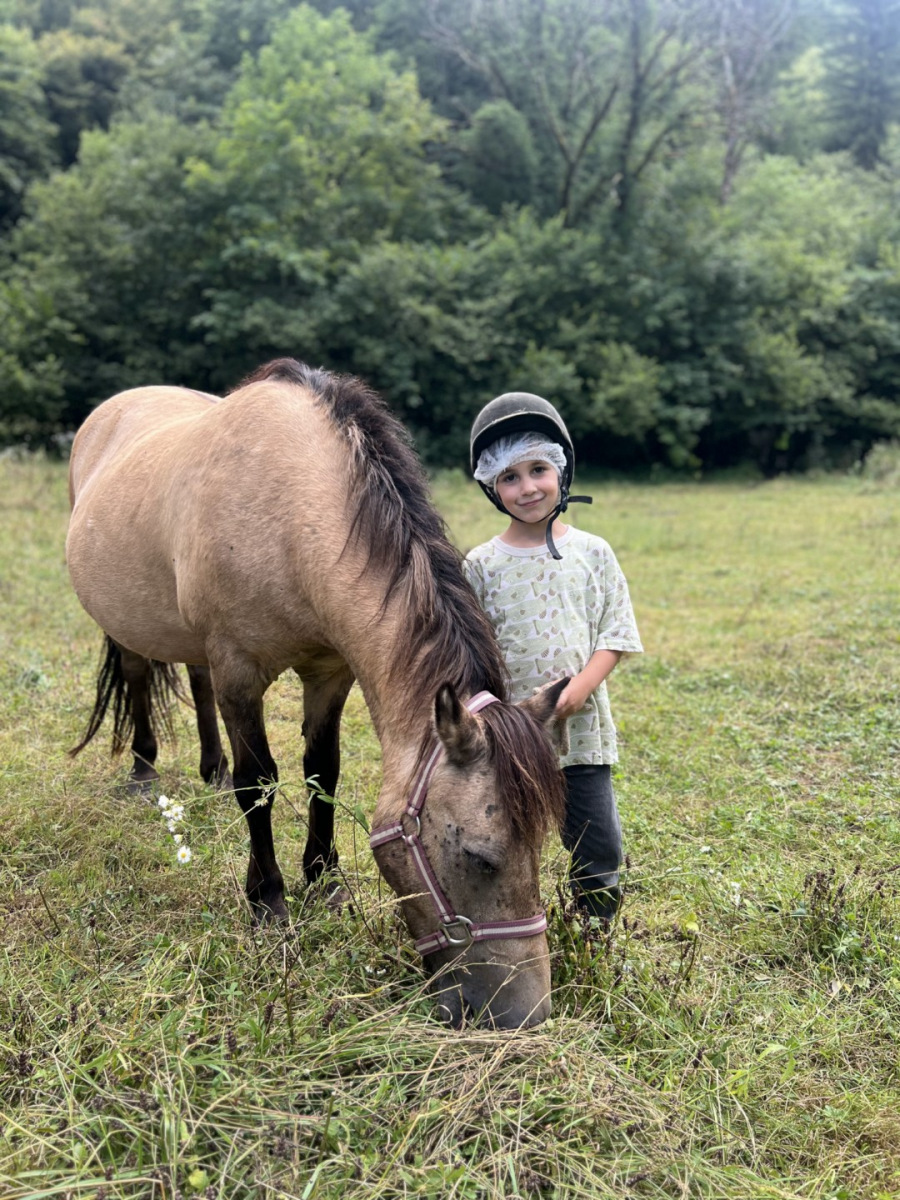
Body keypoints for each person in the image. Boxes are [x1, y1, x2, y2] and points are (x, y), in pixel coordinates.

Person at [463, 393, 643, 922]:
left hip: (580, 732)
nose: (527, 488)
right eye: (510, 477)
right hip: (509, 737)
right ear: (492, 488)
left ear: (561, 470)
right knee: (509, 840)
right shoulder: (482, 564)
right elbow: (471, 652)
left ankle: (593, 928)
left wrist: (581, 687)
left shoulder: (593, 552)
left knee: (598, 842)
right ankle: (519, 926)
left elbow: (615, 632)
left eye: (538, 469)